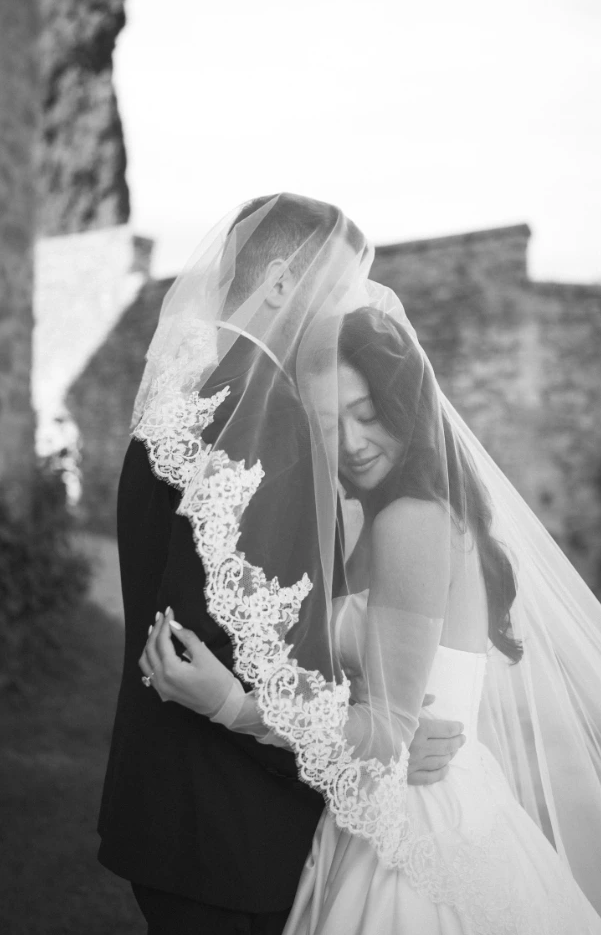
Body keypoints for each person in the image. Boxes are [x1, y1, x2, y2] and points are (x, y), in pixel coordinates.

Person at [140, 211, 601, 934]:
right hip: (378, 807)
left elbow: (389, 735)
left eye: (372, 412)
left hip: (422, 825)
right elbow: (363, 687)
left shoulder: (413, 518)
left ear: (409, 411)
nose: (357, 441)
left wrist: (231, 704)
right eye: (335, 420)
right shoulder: (372, 519)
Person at [98, 194, 465, 935]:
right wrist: (375, 751)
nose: (340, 317)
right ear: (277, 284)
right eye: (333, 291)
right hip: (235, 834)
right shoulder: (270, 428)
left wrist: (370, 706)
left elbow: (227, 628)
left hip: (162, 809)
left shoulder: (172, 409)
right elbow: (237, 667)